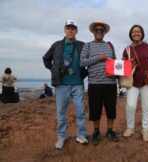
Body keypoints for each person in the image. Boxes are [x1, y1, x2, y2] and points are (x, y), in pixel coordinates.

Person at [42, 20, 88, 149]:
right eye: (68, 28)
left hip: (78, 84)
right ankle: (61, 137)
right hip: (61, 84)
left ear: (76, 31)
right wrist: (54, 70)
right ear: (64, 29)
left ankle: (81, 135)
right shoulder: (57, 45)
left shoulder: (82, 45)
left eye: (73, 28)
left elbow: (88, 60)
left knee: (80, 111)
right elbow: (46, 58)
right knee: (61, 113)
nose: (71, 30)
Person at [80, 21, 119, 145]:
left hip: (111, 84)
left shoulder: (110, 46)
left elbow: (115, 64)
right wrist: (98, 58)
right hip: (95, 84)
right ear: (93, 32)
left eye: (101, 30)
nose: (99, 32)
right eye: (96, 30)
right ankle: (96, 132)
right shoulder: (88, 45)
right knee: (95, 110)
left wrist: (125, 69)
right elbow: (81, 62)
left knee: (111, 110)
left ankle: (110, 131)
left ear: (104, 32)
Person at [122, 24, 148, 142]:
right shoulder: (127, 49)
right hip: (132, 81)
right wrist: (129, 63)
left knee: (146, 106)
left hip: (147, 81)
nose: (136, 33)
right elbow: (123, 67)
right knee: (130, 105)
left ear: (142, 34)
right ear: (131, 34)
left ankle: (145, 130)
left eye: (138, 31)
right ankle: (130, 127)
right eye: (134, 31)